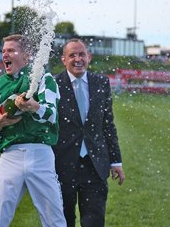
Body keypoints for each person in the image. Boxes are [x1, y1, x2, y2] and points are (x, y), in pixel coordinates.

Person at [0, 34, 66, 227]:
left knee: (54, 219)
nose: (5, 55)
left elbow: (52, 115)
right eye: (3, 51)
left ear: (26, 56)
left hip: (41, 153)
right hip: (10, 156)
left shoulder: (43, 78)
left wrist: (34, 107)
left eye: (11, 50)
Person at [53, 38, 125, 227]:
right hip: (63, 164)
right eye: (72, 55)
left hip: (95, 165)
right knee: (63, 221)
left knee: (94, 221)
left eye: (81, 54)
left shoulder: (101, 82)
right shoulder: (53, 84)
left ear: (89, 57)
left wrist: (115, 161)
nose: (78, 59)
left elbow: (107, 124)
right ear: (63, 59)